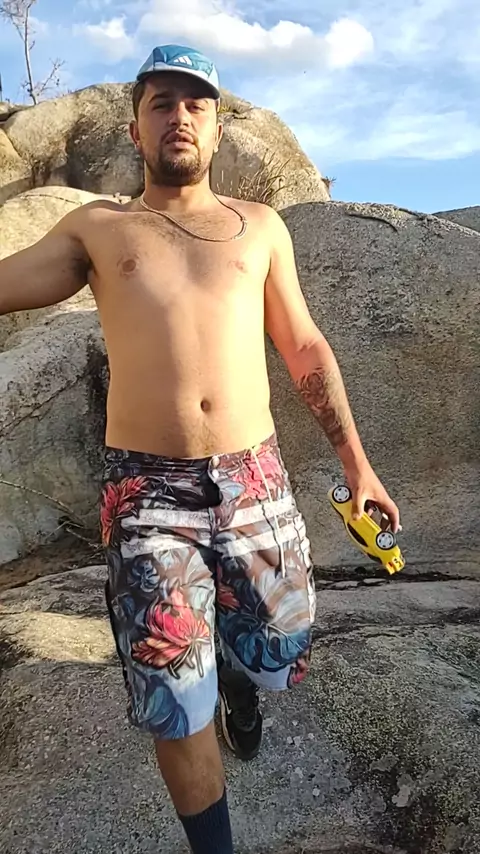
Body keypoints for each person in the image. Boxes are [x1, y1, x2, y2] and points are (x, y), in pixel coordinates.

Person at [0, 44, 400, 854]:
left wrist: (358, 464)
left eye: (196, 104)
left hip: (255, 480)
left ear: (217, 130)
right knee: (174, 699)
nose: (178, 117)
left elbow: (305, 348)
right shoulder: (100, 228)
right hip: (146, 495)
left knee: (279, 650)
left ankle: (241, 682)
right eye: (161, 103)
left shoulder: (261, 228)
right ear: (135, 128)